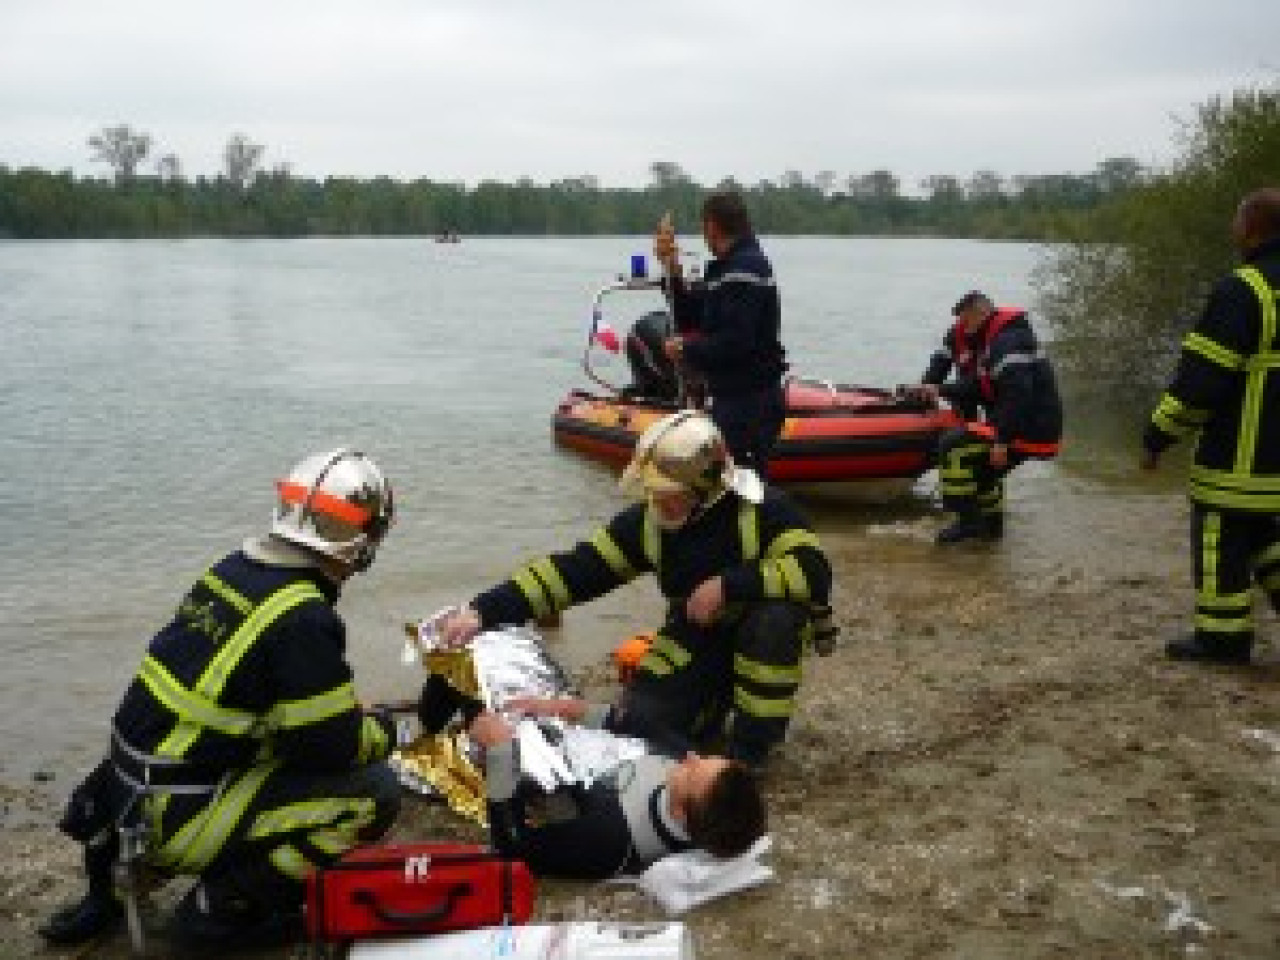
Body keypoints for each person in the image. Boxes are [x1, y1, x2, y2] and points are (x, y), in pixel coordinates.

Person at [39, 448, 403, 953]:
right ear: (364, 541)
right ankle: (219, 911)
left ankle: (106, 896)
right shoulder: (304, 617)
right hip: (174, 811)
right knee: (375, 792)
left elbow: (230, 693)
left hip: (116, 799)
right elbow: (328, 750)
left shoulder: (232, 570)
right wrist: (386, 729)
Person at [435, 410, 833, 769]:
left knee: (775, 620)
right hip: (694, 636)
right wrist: (483, 611)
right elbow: (573, 573)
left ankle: (751, 751)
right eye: (653, 492)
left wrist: (728, 586)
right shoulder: (648, 524)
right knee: (642, 730)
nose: (658, 503)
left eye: (669, 495)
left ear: (705, 488)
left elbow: (815, 572)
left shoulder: (764, 509)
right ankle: (709, 711)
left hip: (759, 634)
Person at [416, 682, 766, 879]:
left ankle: (426, 723)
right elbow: (634, 724)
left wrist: (499, 753)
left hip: (518, 767)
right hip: (560, 738)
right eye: (704, 758)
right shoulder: (688, 774)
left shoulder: (608, 841)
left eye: (694, 769)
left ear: (680, 813)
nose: (691, 757)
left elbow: (511, 844)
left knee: (460, 677)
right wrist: (564, 708)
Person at [1142, 188, 1280, 665]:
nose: (1232, 229)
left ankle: (1223, 640)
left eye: (1237, 220)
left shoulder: (1242, 290)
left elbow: (1201, 381)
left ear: (1252, 228)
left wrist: (1158, 434)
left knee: (1220, 535)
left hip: (1240, 461)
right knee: (1264, 535)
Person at [653, 192, 789, 474]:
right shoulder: (731, 268)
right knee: (730, 488)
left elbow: (735, 343)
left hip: (748, 401)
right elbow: (691, 316)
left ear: (711, 226)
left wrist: (685, 350)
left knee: (739, 489)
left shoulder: (742, 270)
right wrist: (673, 272)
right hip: (738, 397)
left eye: (704, 229)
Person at [914, 290, 1063, 544]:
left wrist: (1002, 440)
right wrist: (931, 387)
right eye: (960, 320)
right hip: (1015, 421)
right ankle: (991, 528)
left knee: (952, 447)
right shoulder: (972, 335)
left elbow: (1019, 396)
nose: (962, 326)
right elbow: (968, 380)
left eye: (966, 320)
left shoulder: (1009, 342)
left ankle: (968, 523)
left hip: (1031, 426)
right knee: (983, 470)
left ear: (982, 313)